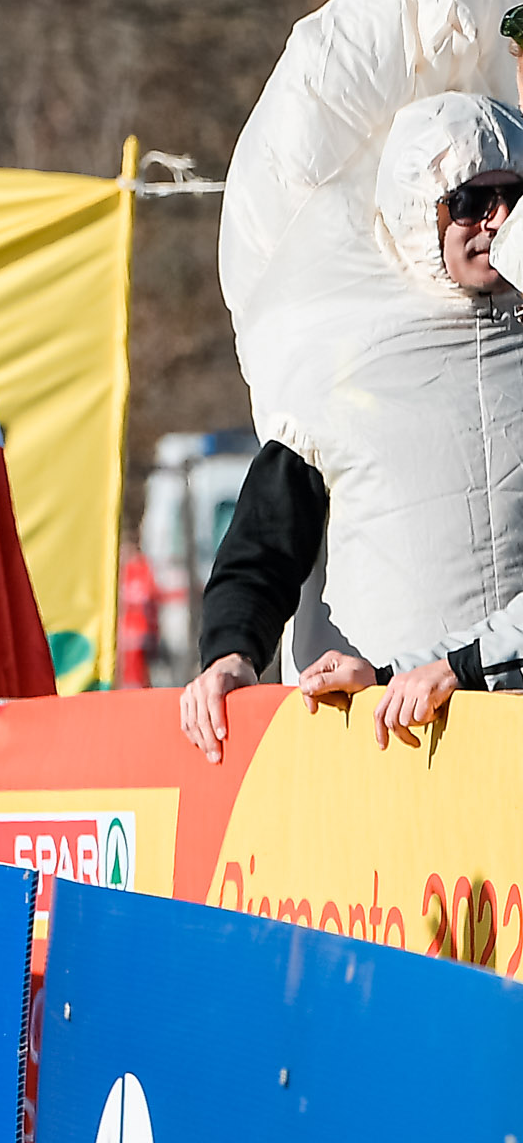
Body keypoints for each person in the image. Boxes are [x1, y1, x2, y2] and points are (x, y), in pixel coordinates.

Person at [214, 103, 523, 754]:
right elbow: (264, 542)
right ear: (420, 210)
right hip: (384, 748)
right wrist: (232, 653)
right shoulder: (340, 365)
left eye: (513, 198)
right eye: (470, 202)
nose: (496, 220)